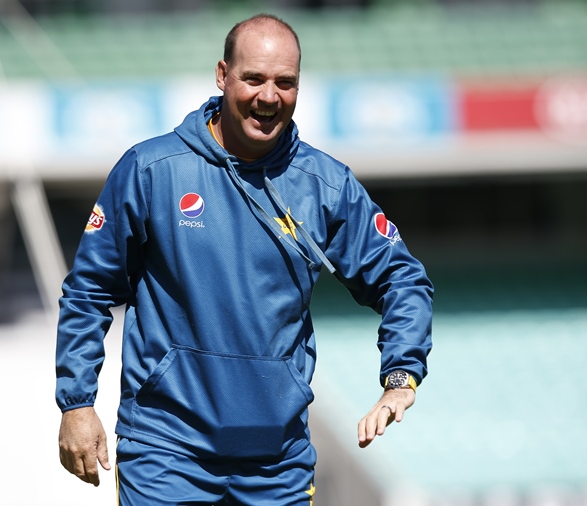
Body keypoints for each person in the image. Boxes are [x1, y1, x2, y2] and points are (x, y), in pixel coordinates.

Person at [56, 13, 433, 505]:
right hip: (166, 452)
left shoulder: (325, 185)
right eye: (253, 78)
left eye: (285, 82)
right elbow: (89, 291)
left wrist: (401, 376)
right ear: (222, 75)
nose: (269, 96)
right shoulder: (151, 170)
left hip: (278, 463)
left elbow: (402, 279)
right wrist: (77, 402)